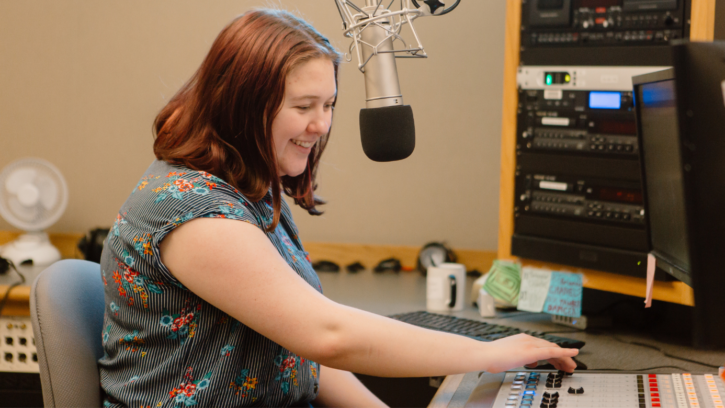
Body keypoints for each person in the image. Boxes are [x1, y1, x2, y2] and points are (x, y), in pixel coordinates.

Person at [99, 8, 578, 408]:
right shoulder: (193, 214)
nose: (321, 125)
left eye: (328, 105)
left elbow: (306, 356)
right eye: (304, 106)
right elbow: (327, 335)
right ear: (240, 105)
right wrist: (488, 354)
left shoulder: (251, 191)